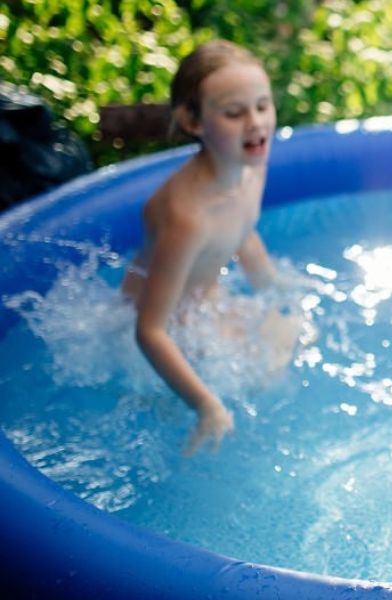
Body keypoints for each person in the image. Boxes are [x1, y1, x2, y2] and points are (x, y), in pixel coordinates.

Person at [120, 40, 279, 456]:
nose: (255, 123)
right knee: (257, 381)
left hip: (206, 302)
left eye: (262, 106)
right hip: (166, 327)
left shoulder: (251, 167)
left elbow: (242, 229)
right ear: (193, 122)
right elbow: (148, 330)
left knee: (289, 339)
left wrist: (276, 290)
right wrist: (205, 405)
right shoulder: (187, 216)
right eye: (234, 112)